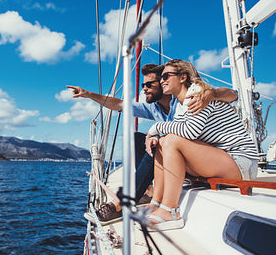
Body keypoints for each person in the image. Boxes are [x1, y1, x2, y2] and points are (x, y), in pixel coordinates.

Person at [67, 63, 238, 225]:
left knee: (160, 142)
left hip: (200, 157)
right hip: (176, 157)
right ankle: (148, 190)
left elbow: (233, 94)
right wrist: (89, 94)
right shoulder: (154, 108)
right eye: (143, 85)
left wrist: (211, 94)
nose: (144, 89)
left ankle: (122, 202)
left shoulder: (186, 99)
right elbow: (119, 104)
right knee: (137, 139)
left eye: (149, 84)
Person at [143, 59, 258, 231]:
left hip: (241, 162)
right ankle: (156, 202)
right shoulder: (181, 106)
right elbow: (177, 131)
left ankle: (170, 211)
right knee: (162, 142)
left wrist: (155, 127)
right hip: (222, 160)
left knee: (170, 140)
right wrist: (155, 135)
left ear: (182, 77)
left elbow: (190, 132)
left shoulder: (198, 93)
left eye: (166, 76)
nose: (162, 81)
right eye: (161, 78)